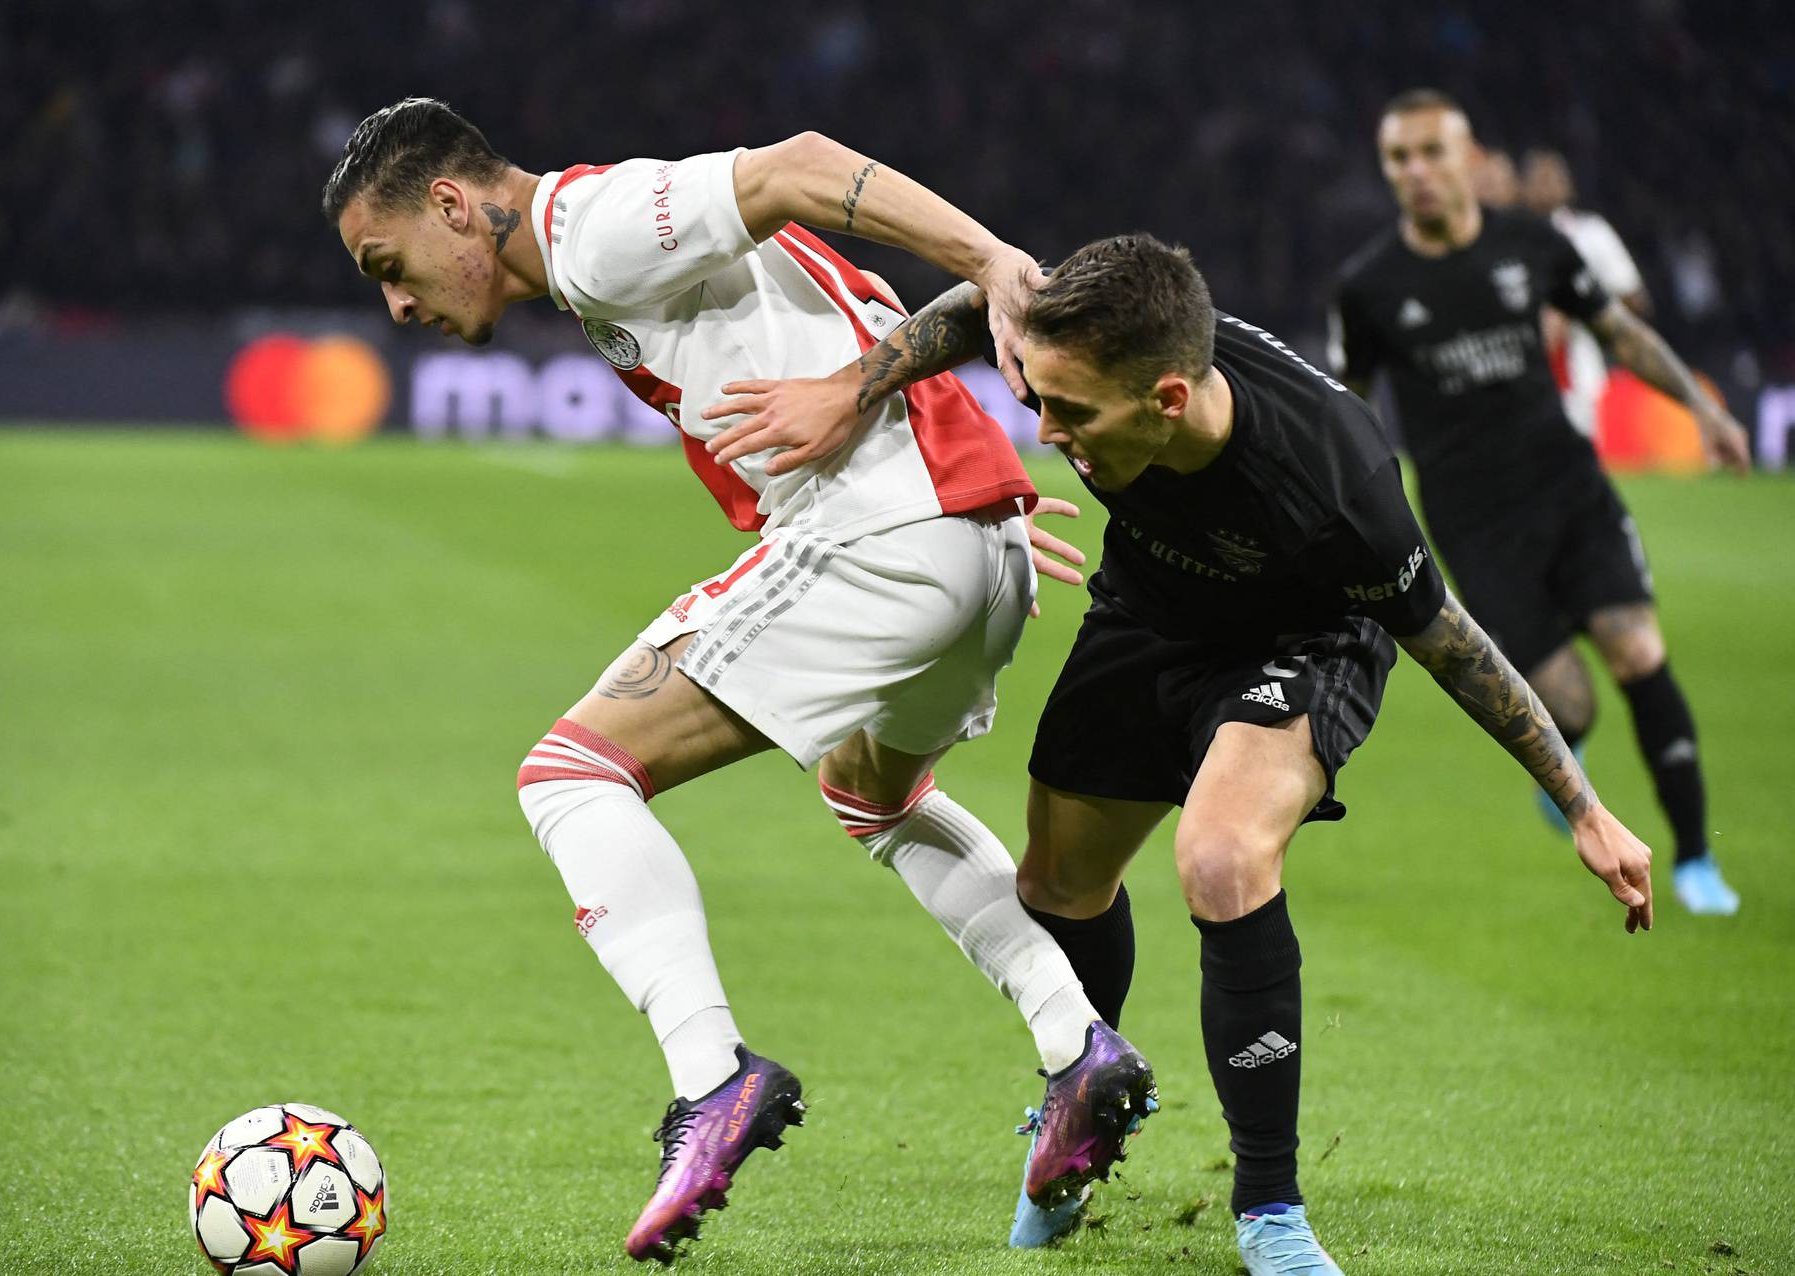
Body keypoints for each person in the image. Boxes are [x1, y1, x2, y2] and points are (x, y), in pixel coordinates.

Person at [697, 232, 1656, 1275]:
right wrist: (853, 385)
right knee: (1057, 879)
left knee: (1222, 856)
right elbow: (990, 308)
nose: (1047, 430)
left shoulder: (1339, 488)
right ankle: (1085, 1104)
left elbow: (1454, 646)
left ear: (1164, 401)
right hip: (1152, 613)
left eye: (1073, 416)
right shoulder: (1083, 348)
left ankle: (1270, 1210)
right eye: (1043, 404)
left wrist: (1586, 802)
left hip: (1306, 637)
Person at [320, 98, 1158, 1263]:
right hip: (976, 534)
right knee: (869, 792)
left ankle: (712, 1077)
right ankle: (1079, 1042)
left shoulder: (595, 224)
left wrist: (991, 263)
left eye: (389, 264)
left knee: (570, 774)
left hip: (883, 539)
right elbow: (844, 323)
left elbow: (801, 166)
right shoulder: (595, 259)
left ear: (455, 206)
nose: (397, 302)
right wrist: (967, 507)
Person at [1329, 89, 1750, 915]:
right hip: (1472, 521)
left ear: (1470, 158)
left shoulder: (1534, 245)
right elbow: (1347, 400)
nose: (1415, 171)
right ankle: (1567, 754)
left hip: (1567, 486)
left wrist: (1701, 408)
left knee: (1639, 654)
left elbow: (1617, 333)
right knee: (1567, 701)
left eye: (1430, 152)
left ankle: (1697, 860)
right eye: (1397, 159)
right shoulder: (1370, 285)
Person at [1520, 146, 1652, 437]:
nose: (1544, 186)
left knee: (1576, 453)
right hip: (1522, 366)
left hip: (1577, 366)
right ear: (1524, 188)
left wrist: (1584, 311)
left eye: (1552, 178)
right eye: (1537, 178)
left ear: (1568, 186)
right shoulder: (1511, 238)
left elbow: (1634, 298)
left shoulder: (1591, 233)